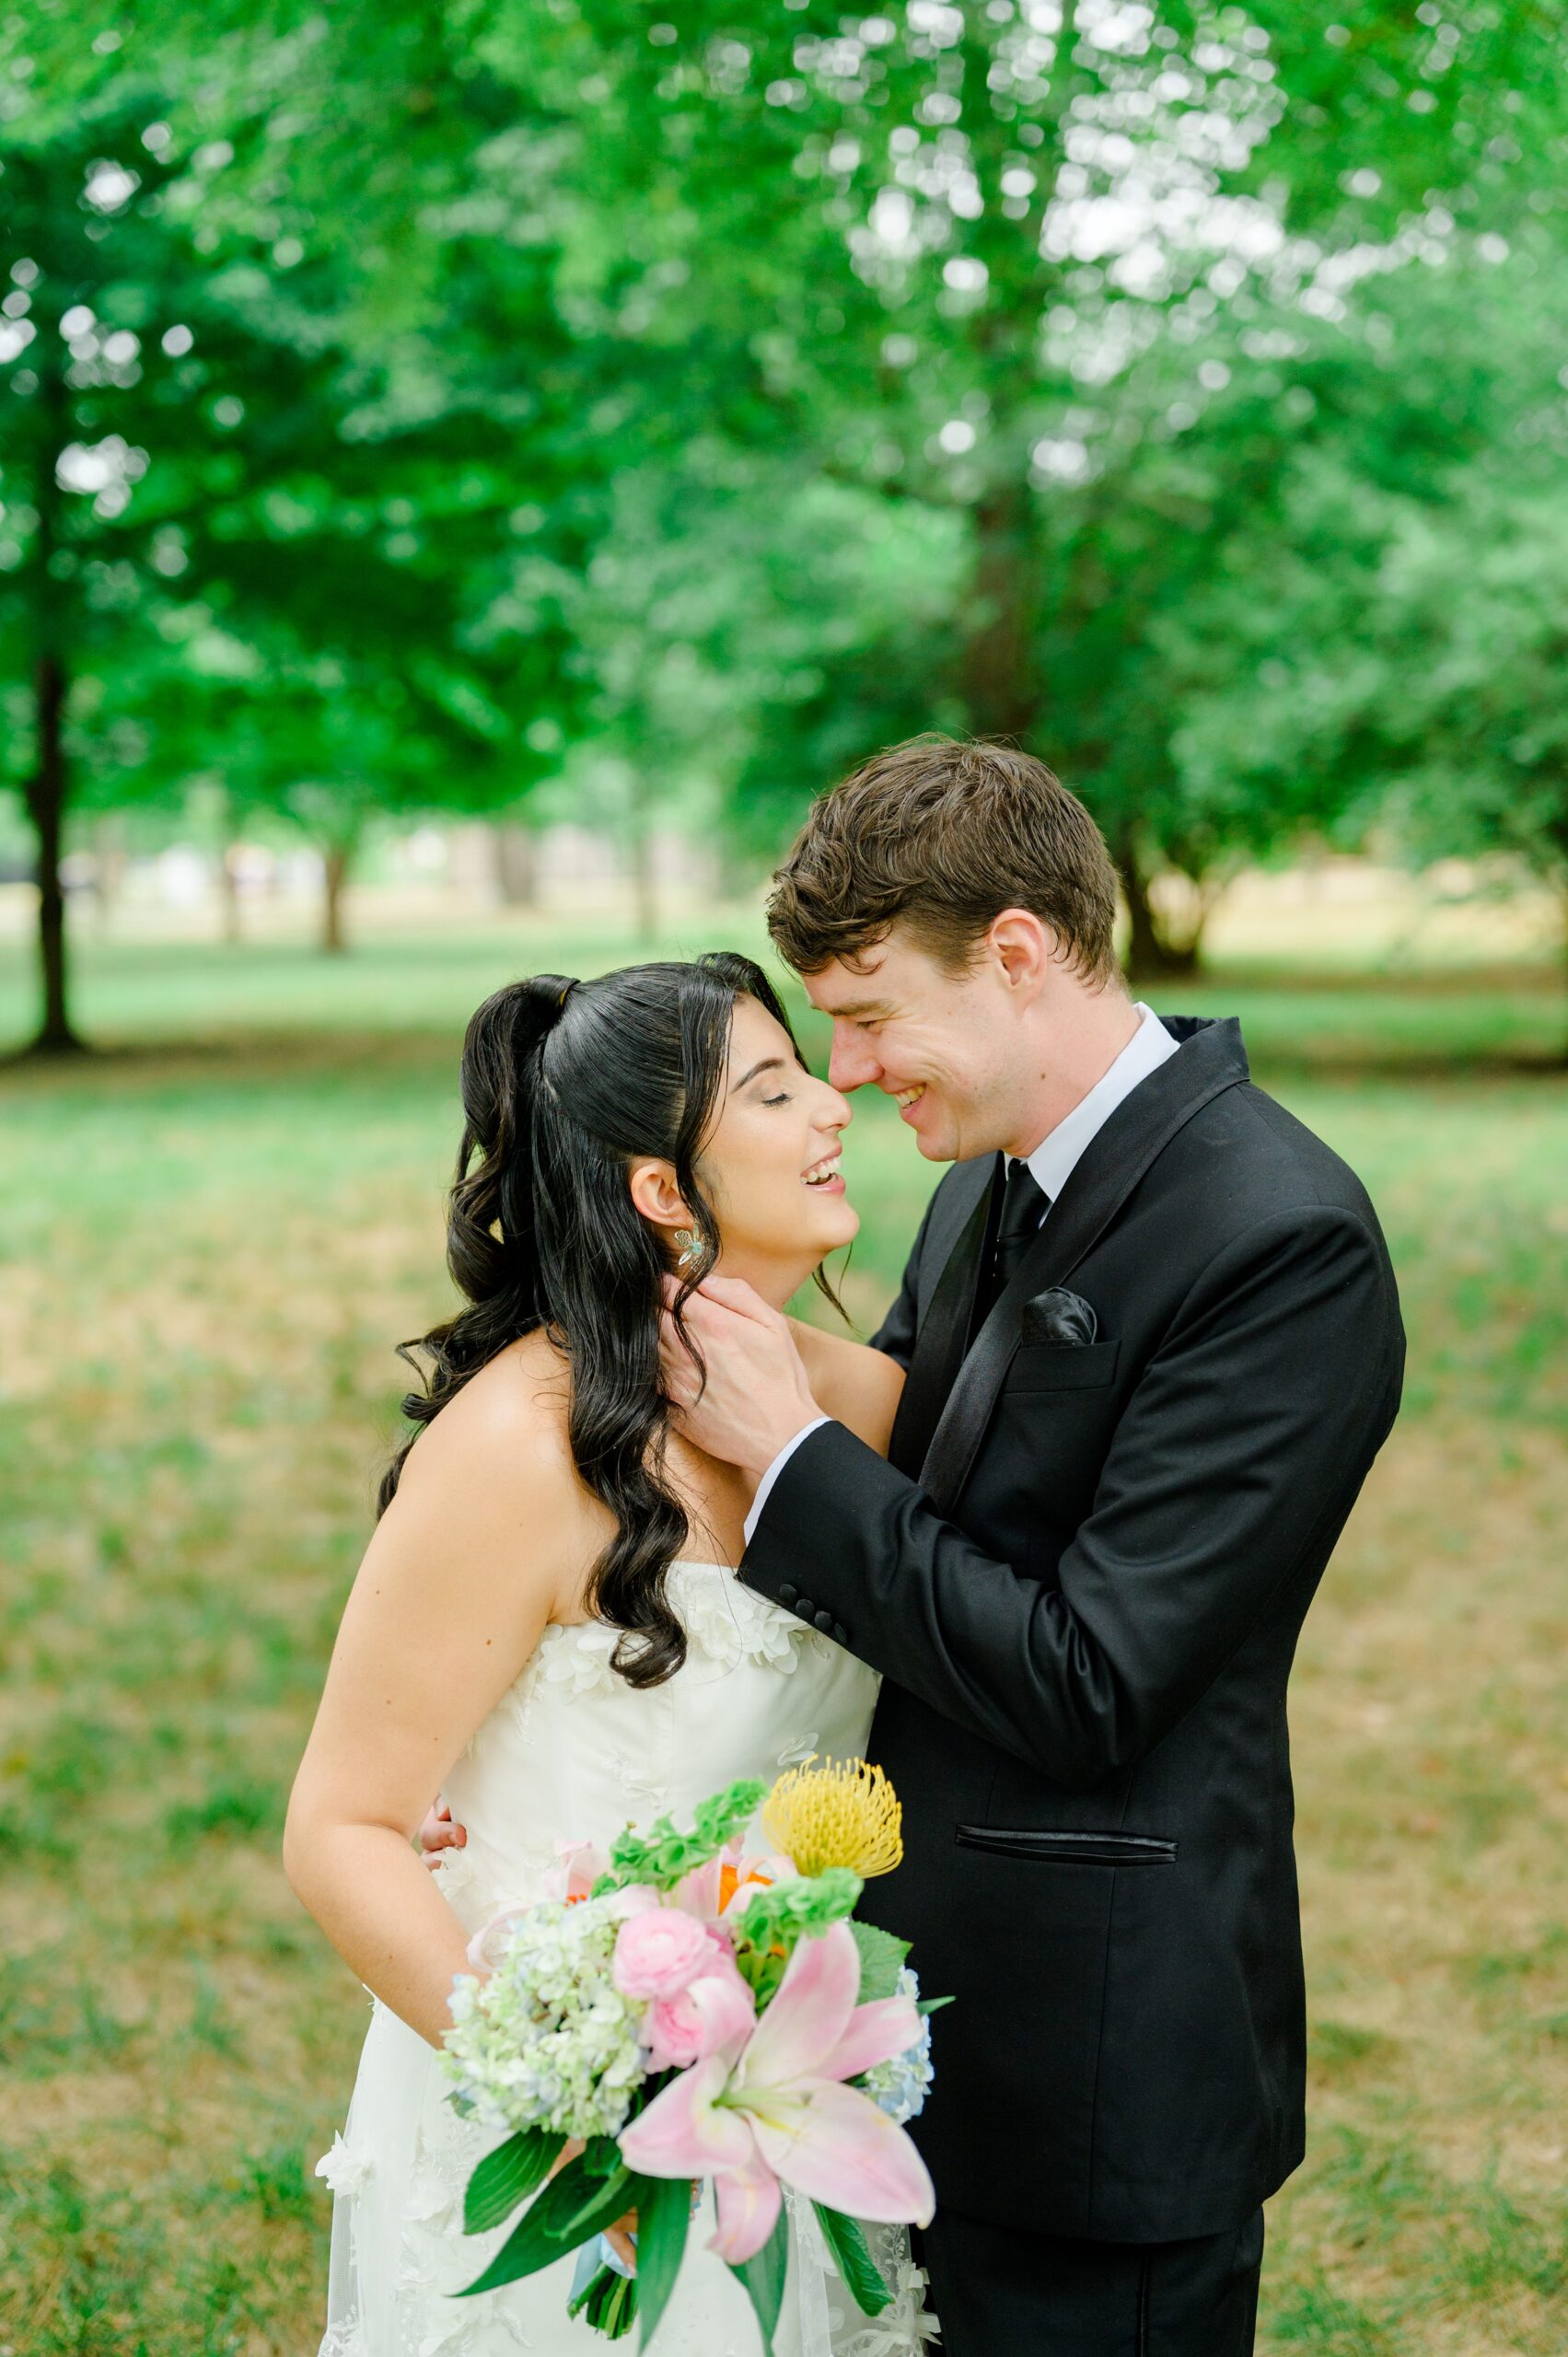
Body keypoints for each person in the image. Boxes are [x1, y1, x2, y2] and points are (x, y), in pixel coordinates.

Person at [660, 737, 1406, 2357]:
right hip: (900, 2036)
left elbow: (1092, 1679)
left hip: (1097, 2079)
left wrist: (784, 1456)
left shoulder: (1282, 1240)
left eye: (867, 1013)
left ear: (1014, 954)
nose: (846, 1072)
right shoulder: (985, 1178)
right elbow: (922, 1491)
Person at [285, 952, 930, 2356]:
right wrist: (569, 2111)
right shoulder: (518, 1451)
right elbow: (342, 1826)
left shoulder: (874, 1407)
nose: (836, 1104)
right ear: (659, 1190)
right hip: (544, 2127)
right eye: (774, 1089)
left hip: (784, 2099)